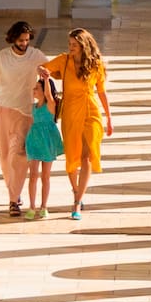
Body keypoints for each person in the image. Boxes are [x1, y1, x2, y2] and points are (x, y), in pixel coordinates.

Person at [0, 20, 49, 217]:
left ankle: (13, 200)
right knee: (6, 157)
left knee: (19, 156)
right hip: (3, 112)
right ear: (13, 38)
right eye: (21, 40)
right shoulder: (1, 58)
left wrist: (43, 72)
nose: (24, 43)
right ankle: (14, 194)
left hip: (25, 114)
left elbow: (53, 71)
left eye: (27, 40)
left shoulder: (36, 55)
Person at [40, 27, 112, 220]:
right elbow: (43, 67)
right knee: (73, 156)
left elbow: (102, 92)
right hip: (71, 113)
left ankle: (77, 201)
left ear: (83, 45)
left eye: (74, 44)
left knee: (86, 156)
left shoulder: (96, 64)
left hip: (91, 112)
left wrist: (109, 117)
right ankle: (76, 190)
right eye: (69, 44)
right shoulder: (64, 60)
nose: (70, 47)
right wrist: (44, 72)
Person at [22, 78, 62, 220]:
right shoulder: (33, 107)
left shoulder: (51, 104)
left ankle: (44, 206)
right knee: (33, 175)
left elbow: (49, 96)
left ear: (45, 91)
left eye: (37, 88)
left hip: (48, 142)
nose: (34, 90)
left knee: (45, 176)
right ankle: (32, 206)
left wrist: (45, 78)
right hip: (34, 141)